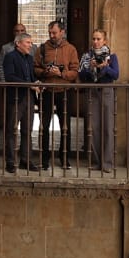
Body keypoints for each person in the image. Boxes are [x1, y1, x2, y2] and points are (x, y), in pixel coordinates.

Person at [35, 20, 80, 168]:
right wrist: (46, 72)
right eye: (50, 33)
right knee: (44, 126)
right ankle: (44, 159)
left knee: (65, 126)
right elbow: (35, 68)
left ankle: (64, 158)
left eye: (54, 33)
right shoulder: (42, 48)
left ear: (62, 32)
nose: (51, 35)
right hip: (47, 91)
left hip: (64, 91)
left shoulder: (71, 49)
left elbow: (75, 71)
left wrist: (61, 73)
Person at [77, 29, 120, 172]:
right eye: (94, 39)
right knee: (93, 128)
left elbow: (116, 74)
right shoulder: (86, 56)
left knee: (108, 127)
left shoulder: (111, 56)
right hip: (92, 92)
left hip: (107, 91)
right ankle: (96, 161)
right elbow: (81, 75)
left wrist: (105, 67)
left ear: (104, 41)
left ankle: (107, 163)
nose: (95, 42)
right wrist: (90, 67)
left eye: (98, 39)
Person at [0, 30, 39, 174]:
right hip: (16, 98)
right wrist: (29, 84)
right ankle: (10, 161)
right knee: (11, 130)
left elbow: (31, 76)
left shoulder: (29, 58)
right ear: (18, 43)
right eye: (27, 42)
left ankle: (26, 160)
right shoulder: (10, 57)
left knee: (27, 130)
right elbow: (10, 77)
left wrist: (37, 83)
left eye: (31, 42)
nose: (30, 45)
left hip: (29, 98)